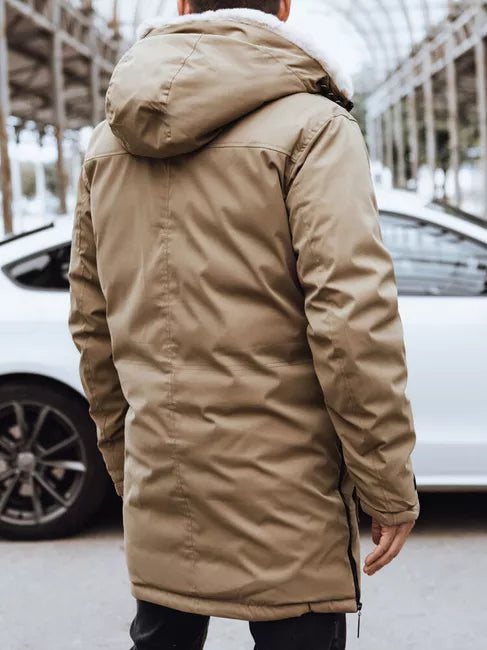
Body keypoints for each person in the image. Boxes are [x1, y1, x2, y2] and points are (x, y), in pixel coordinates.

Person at [68, 1, 420, 648]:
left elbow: (93, 324)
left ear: (181, 5)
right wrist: (387, 482)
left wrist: (127, 464)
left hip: (161, 479)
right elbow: (350, 321)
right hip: (291, 496)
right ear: (283, 8)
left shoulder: (107, 143)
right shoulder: (314, 127)